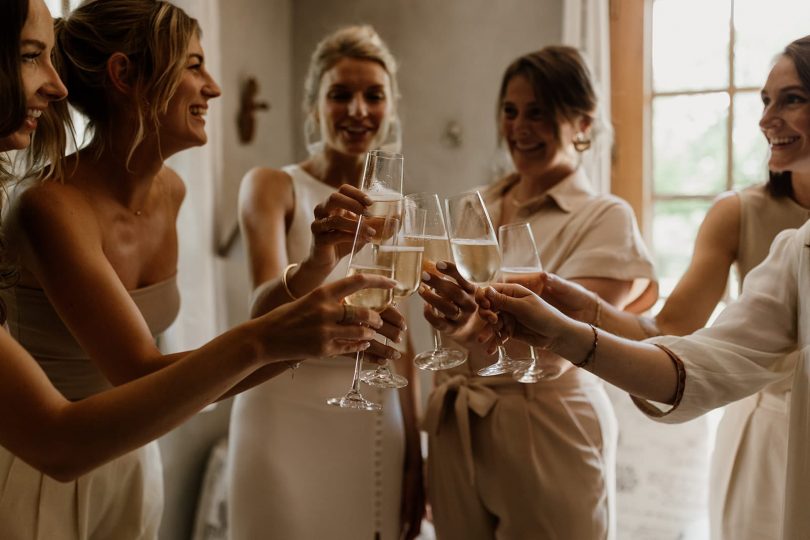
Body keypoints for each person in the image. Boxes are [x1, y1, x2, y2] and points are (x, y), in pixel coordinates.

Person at [0, 2, 395, 539]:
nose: (213, 87)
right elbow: (141, 374)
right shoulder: (47, 207)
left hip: (133, 456)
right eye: (194, 65)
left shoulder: (172, 192)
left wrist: (315, 317)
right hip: (45, 472)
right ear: (124, 76)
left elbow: (177, 379)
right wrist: (296, 339)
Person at [474, 34, 810, 540]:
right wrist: (578, 318)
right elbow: (686, 349)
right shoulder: (789, 248)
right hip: (774, 435)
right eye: (765, 100)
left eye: (792, 99)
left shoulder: (604, 215)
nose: (765, 119)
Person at [418, 46, 656, 540]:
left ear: (582, 124)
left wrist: (464, 324)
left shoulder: (605, 218)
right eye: (510, 111)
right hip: (456, 422)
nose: (519, 127)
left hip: (548, 426)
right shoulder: (475, 205)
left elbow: (567, 347)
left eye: (538, 112)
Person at [227, 25, 422, 540]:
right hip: (282, 408)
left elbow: (402, 330)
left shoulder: (397, 206)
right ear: (314, 106)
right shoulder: (273, 186)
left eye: (373, 95)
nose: (358, 110)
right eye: (340, 94)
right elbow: (262, 312)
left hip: (373, 415)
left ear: (390, 108)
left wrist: (418, 452)